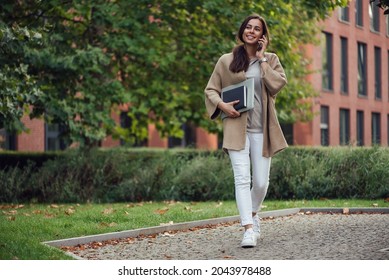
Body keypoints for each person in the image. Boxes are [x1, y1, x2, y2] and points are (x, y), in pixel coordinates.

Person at [204, 14, 288, 248]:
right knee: (242, 179)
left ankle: (252, 213)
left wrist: (261, 60)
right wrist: (222, 105)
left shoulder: (270, 59)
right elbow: (211, 90)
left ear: (263, 35)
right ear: (242, 31)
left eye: (257, 28)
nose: (251, 31)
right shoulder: (226, 60)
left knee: (261, 182)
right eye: (248, 27)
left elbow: (277, 85)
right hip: (235, 127)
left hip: (262, 130)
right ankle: (248, 229)